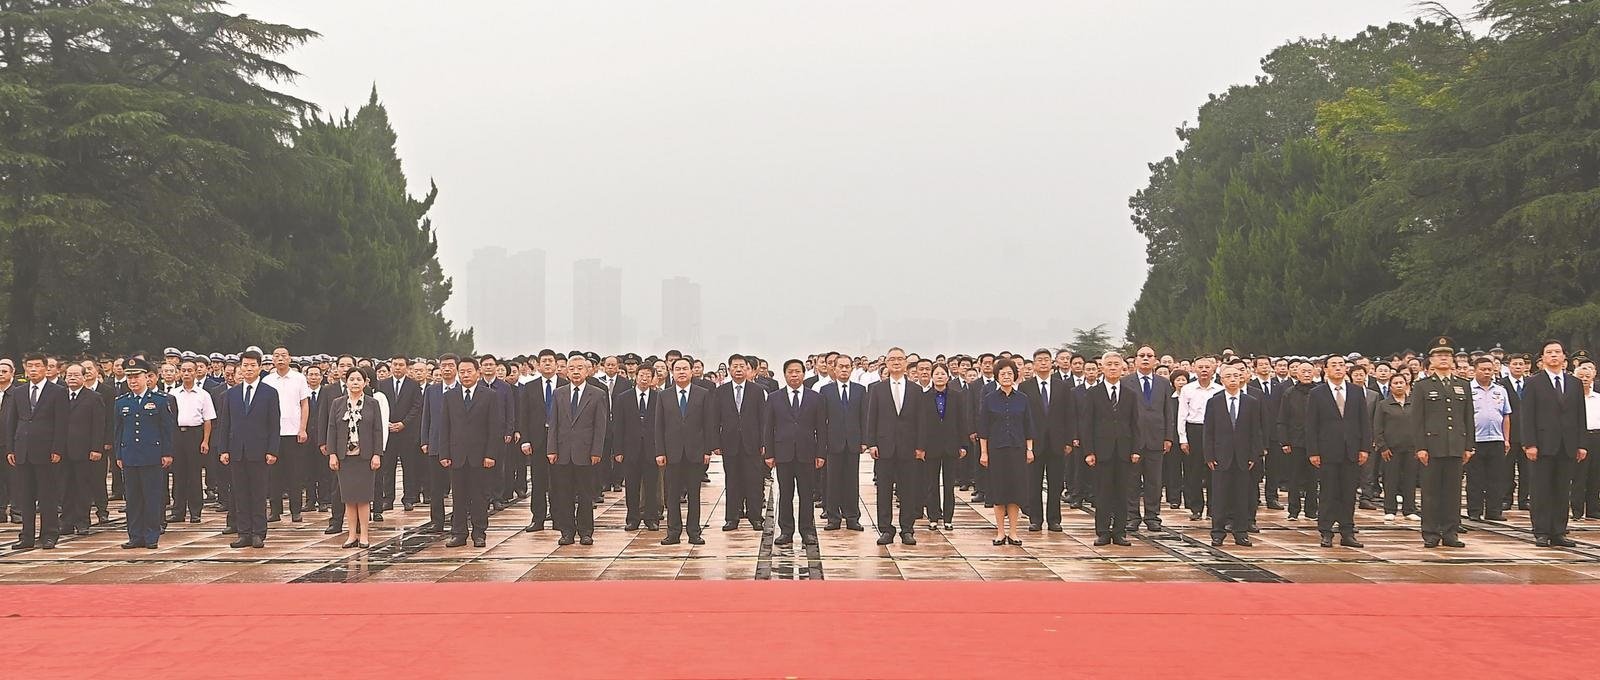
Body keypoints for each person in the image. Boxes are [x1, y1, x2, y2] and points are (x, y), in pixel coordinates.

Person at [1521, 340, 1587, 548]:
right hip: (1542, 444)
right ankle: (1541, 531)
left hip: (1567, 445)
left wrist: (1581, 444)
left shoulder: (1574, 383)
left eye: (1557, 352)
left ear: (1564, 356)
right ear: (1542, 358)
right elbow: (1527, 415)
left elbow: (1580, 415)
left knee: (1562, 490)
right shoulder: (1533, 382)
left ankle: (1558, 531)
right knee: (1541, 489)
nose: (1554, 355)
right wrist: (1530, 443)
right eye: (1549, 352)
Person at [3, 353, 70, 549]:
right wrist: (11, 448)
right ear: (25, 369)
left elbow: (62, 422)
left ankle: (49, 534)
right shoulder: (19, 392)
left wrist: (57, 448)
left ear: (45, 368)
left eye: (37, 366)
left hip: (46, 450)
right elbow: (12, 421)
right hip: (22, 449)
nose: (33, 369)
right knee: (25, 496)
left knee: (47, 496)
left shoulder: (58, 391)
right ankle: (27, 536)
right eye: (30, 366)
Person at [1305, 355, 1372, 548]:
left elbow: (1364, 422)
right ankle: (1326, 531)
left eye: (1341, 365)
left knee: (1348, 493)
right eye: (1333, 365)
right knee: (1328, 493)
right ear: (1325, 369)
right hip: (1327, 450)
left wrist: (1364, 447)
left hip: (1351, 450)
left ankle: (1347, 532)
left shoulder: (1356, 391)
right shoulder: (1317, 393)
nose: (1338, 368)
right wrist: (1313, 451)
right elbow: (1311, 424)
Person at [217, 349, 281, 549]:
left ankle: (258, 533)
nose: (249, 369)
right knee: (240, 493)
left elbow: (274, 424)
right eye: (245, 365)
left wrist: (272, 450)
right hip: (237, 450)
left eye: (253, 365)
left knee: (258, 493)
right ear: (240, 368)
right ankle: (243, 533)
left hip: (259, 451)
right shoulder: (232, 393)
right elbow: (225, 423)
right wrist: (223, 449)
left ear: (260, 368)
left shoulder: (269, 393)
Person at [107, 359, 173, 550]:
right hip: (130, 456)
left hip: (152, 455)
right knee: (133, 499)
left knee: (151, 497)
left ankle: (151, 536)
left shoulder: (159, 400)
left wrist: (167, 453)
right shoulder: (122, 402)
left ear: (147, 378)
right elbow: (118, 430)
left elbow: (167, 429)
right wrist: (119, 454)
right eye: (129, 377)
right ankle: (135, 536)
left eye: (136, 377)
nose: (133, 381)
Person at [439, 356, 502, 548]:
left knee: (479, 496)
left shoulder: (489, 396)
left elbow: (495, 428)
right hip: (457, 455)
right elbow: (445, 427)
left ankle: (479, 533)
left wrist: (491, 454)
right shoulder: (450, 396)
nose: (465, 375)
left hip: (480, 456)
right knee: (458, 497)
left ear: (478, 373)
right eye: (462, 372)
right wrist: (444, 454)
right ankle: (458, 533)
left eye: (469, 371)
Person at [763, 359, 827, 546]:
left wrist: (821, 453)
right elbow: (768, 428)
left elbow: (821, 429)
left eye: (797, 371)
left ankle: (807, 531)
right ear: (784, 374)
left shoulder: (815, 398)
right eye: (790, 372)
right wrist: (769, 454)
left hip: (807, 453)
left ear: (803, 374)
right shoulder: (774, 398)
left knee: (806, 494)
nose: (794, 375)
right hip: (783, 453)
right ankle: (786, 531)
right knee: (785, 494)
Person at [547, 355, 609, 546]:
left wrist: (596, 451)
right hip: (563, 452)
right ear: (566, 371)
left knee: (585, 495)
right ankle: (567, 531)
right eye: (572, 368)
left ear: (587, 370)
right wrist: (552, 449)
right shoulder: (559, 393)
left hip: (586, 452)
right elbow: (554, 423)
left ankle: (586, 531)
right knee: (563, 494)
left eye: (580, 368)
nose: (575, 371)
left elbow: (600, 426)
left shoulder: (597, 394)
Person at [865, 347, 924, 546]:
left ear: (906, 363)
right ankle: (886, 529)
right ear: (887, 363)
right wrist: (872, 443)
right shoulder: (877, 389)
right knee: (884, 490)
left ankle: (907, 529)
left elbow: (921, 420)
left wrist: (920, 446)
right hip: (884, 447)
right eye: (892, 359)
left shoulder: (915, 389)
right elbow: (872, 417)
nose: (896, 362)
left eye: (900, 359)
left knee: (908, 490)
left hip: (909, 447)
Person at [1202, 363, 1264, 546]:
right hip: (1221, 456)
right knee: (1220, 496)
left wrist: (1254, 455)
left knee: (1242, 496)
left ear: (1242, 378)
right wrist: (1209, 455)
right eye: (1228, 376)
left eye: (1236, 376)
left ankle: (1241, 532)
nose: (1233, 379)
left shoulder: (1251, 402)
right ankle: (1218, 532)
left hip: (1243, 457)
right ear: (1221, 380)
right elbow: (1208, 431)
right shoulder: (1214, 401)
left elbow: (1256, 431)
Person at [656, 357, 715, 545]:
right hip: (672, 453)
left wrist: (707, 451)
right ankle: (673, 532)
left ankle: (694, 532)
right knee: (672, 495)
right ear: (672, 372)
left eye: (685, 369)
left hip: (695, 452)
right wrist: (660, 452)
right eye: (677, 369)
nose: (681, 372)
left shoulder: (702, 394)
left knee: (694, 495)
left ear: (691, 372)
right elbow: (659, 426)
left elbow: (708, 424)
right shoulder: (664, 395)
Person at [1082, 352, 1138, 546]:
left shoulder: (1130, 394)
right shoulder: (1093, 393)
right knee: (1103, 493)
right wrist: (1089, 451)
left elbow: (1136, 423)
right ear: (1102, 368)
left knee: (1122, 493)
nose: (1113, 367)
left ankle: (1120, 531)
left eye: (1116, 364)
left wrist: (1136, 449)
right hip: (1101, 451)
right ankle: (1103, 531)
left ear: (1123, 368)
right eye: (1109, 364)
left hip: (1124, 450)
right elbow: (1087, 424)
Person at [977, 359, 1033, 546]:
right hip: (996, 450)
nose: (1006, 377)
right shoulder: (989, 399)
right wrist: (983, 452)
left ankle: (1013, 532)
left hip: (1017, 450)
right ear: (997, 377)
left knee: (1015, 491)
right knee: (999, 491)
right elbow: (983, 428)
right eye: (1002, 374)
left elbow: (1028, 426)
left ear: (1015, 375)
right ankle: (1000, 532)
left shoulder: (1023, 399)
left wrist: (1029, 449)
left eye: (1010, 373)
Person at [1018, 348, 1074, 533]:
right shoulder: (1025, 387)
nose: (1043, 363)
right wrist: (1025, 443)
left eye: (1046, 360)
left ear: (1052, 363)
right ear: (1033, 364)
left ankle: (1054, 519)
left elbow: (1069, 414)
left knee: (1055, 484)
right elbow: (1023, 417)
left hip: (1057, 443)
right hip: (1034, 443)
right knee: (1033, 483)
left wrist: (1068, 441)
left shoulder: (1062, 387)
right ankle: (1035, 519)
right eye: (1039, 360)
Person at [326, 367, 383, 548]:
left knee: (364, 498)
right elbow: (332, 429)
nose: (355, 382)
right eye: (352, 379)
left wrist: (377, 454)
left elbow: (378, 430)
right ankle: (351, 535)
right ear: (346, 382)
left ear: (365, 382)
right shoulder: (338, 403)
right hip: (345, 458)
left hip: (365, 457)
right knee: (349, 498)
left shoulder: (372, 403)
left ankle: (364, 535)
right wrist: (332, 454)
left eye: (359, 379)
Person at [713, 354, 766, 532]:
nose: (738, 369)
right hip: (730, 443)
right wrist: (715, 443)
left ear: (747, 369)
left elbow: (763, 419)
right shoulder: (721, 391)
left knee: (754, 481)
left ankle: (755, 517)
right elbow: (715, 419)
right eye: (735, 366)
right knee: (732, 481)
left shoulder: (757, 391)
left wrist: (764, 442)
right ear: (729, 369)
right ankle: (732, 518)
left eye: (742, 366)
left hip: (752, 443)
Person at [1123, 345, 1171, 533]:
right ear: (1135, 360)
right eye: (1141, 355)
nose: (1145, 358)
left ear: (1155, 360)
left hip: (1156, 438)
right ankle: (1132, 516)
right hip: (1132, 440)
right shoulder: (1126, 382)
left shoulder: (1163, 383)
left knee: (1154, 481)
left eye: (1149, 356)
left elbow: (1168, 412)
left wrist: (1168, 437)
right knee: (1132, 480)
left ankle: (1152, 516)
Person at [260, 346, 310, 524]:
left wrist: (302, 428)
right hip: (273, 434)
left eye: (283, 356)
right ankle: (275, 511)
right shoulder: (267, 380)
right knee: (273, 474)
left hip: (293, 433)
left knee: (295, 473)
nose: (280, 359)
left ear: (289, 358)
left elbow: (304, 404)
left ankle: (296, 510)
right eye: (276, 356)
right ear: (272, 360)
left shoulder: (299, 378)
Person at [918, 363, 968, 532]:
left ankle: (948, 518)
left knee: (949, 484)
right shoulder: (924, 397)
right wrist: (920, 447)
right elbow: (921, 424)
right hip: (931, 446)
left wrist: (963, 444)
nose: (939, 377)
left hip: (951, 446)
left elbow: (962, 421)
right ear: (932, 377)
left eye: (942, 374)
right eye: (936, 374)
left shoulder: (957, 396)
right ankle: (933, 517)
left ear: (948, 376)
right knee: (931, 484)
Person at [612, 363, 662, 531]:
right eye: (642, 375)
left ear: (653, 378)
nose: (644, 378)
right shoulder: (623, 398)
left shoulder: (658, 397)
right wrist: (618, 450)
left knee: (651, 485)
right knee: (631, 486)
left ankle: (651, 518)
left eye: (648, 375)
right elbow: (618, 426)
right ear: (636, 377)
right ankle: (632, 518)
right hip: (630, 449)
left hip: (652, 449)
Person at [59, 364, 108, 536]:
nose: (72, 378)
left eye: (76, 375)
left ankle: (82, 521)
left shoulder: (94, 397)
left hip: (85, 450)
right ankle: (66, 522)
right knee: (65, 487)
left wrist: (96, 448)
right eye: (69, 375)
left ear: (84, 377)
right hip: (63, 450)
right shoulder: (59, 396)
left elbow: (99, 425)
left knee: (82, 487)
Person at [821, 353, 866, 531]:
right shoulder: (826, 390)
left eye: (847, 366)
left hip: (853, 442)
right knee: (833, 481)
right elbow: (822, 420)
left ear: (852, 368)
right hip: (833, 442)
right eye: (841, 366)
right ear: (834, 368)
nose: (844, 369)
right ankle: (833, 518)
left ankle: (852, 517)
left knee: (851, 481)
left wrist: (864, 440)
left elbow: (864, 416)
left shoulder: (860, 390)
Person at [169, 360, 216, 524]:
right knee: (178, 475)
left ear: (196, 373)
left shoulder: (203, 395)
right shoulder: (173, 394)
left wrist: (205, 441)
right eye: (183, 370)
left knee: (194, 475)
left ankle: (195, 512)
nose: (186, 373)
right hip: (177, 435)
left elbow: (208, 420)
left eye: (190, 370)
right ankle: (178, 511)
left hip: (195, 435)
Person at [1177, 356, 1223, 521]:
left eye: (1207, 367)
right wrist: (1183, 438)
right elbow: (1182, 415)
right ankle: (1196, 508)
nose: (1204, 370)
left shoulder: (1219, 389)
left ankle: (1213, 508)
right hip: (1194, 430)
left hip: (1214, 431)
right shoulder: (1187, 389)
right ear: (1194, 369)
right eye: (1200, 367)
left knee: (1214, 470)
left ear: (1213, 369)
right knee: (1193, 471)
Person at [418, 353, 460, 534]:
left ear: (457, 368)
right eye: (443, 366)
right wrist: (424, 440)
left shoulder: (463, 390)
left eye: (451, 365)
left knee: (458, 486)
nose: (447, 369)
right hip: (435, 444)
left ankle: (458, 520)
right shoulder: (432, 391)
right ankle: (437, 521)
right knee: (435, 487)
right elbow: (426, 417)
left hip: (457, 445)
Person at [376, 355, 423, 514]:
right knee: (387, 467)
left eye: (401, 365)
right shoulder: (382, 384)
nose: (397, 367)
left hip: (406, 432)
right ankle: (387, 498)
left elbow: (416, 407)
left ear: (407, 367)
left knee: (408, 466)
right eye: (395, 364)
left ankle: (408, 498)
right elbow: (379, 406)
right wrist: (386, 423)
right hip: (388, 432)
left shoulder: (413, 385)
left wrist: (403, 423)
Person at [1468, 356, 1512, 523]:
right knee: (1475, 478)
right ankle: (1475, 510)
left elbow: (1506, 416)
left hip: (1496, 438)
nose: (1487, 372)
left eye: (1489, 369)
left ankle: (1494, 510)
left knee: (1496, 477)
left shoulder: (1500, 390)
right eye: (1483, 369)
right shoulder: (1468, 389)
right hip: (1476, 440)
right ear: (1475, 370)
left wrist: (1506, 439)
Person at [1373, 373, 1421, 523]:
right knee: (1390, 480)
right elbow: (1377, 427)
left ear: (1407, 385)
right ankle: (1390, 509)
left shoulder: (1415, 404)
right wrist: (1382, 447)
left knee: (1410, 480)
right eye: (1396, 383)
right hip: (1390, 450)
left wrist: (1420, 446)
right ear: (1390, 386)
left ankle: (1409, 510)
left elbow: (1421, 425)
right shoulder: (1383, 405)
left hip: (1411, 449)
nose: (1399, 385)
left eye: (1401, 383)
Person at [1277, 360, 1319, 521]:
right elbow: (1282, 418)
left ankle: (1311, 510)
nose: (1307, 374)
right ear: (1296, 374)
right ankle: (1293, 510)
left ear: (1314, 372)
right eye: (1303, 371)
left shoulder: (1320, 391)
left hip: (1316, 443)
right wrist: (1284, 441)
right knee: (1294, 477)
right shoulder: (1289, 393)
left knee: (1313, 478)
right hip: (1295, 442)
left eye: (1309, 371)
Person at [1578, 356, 1600, 521]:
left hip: (1597, 437)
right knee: (1579, 475)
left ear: (1593, 376)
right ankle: (1577, 509)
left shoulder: (1598, 398)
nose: (1585, 379)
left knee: (1595, 475)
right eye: (1581, 377)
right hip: (1580, 437)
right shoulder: (1572, 399)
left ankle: (1593, 509)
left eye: (1587, 376)